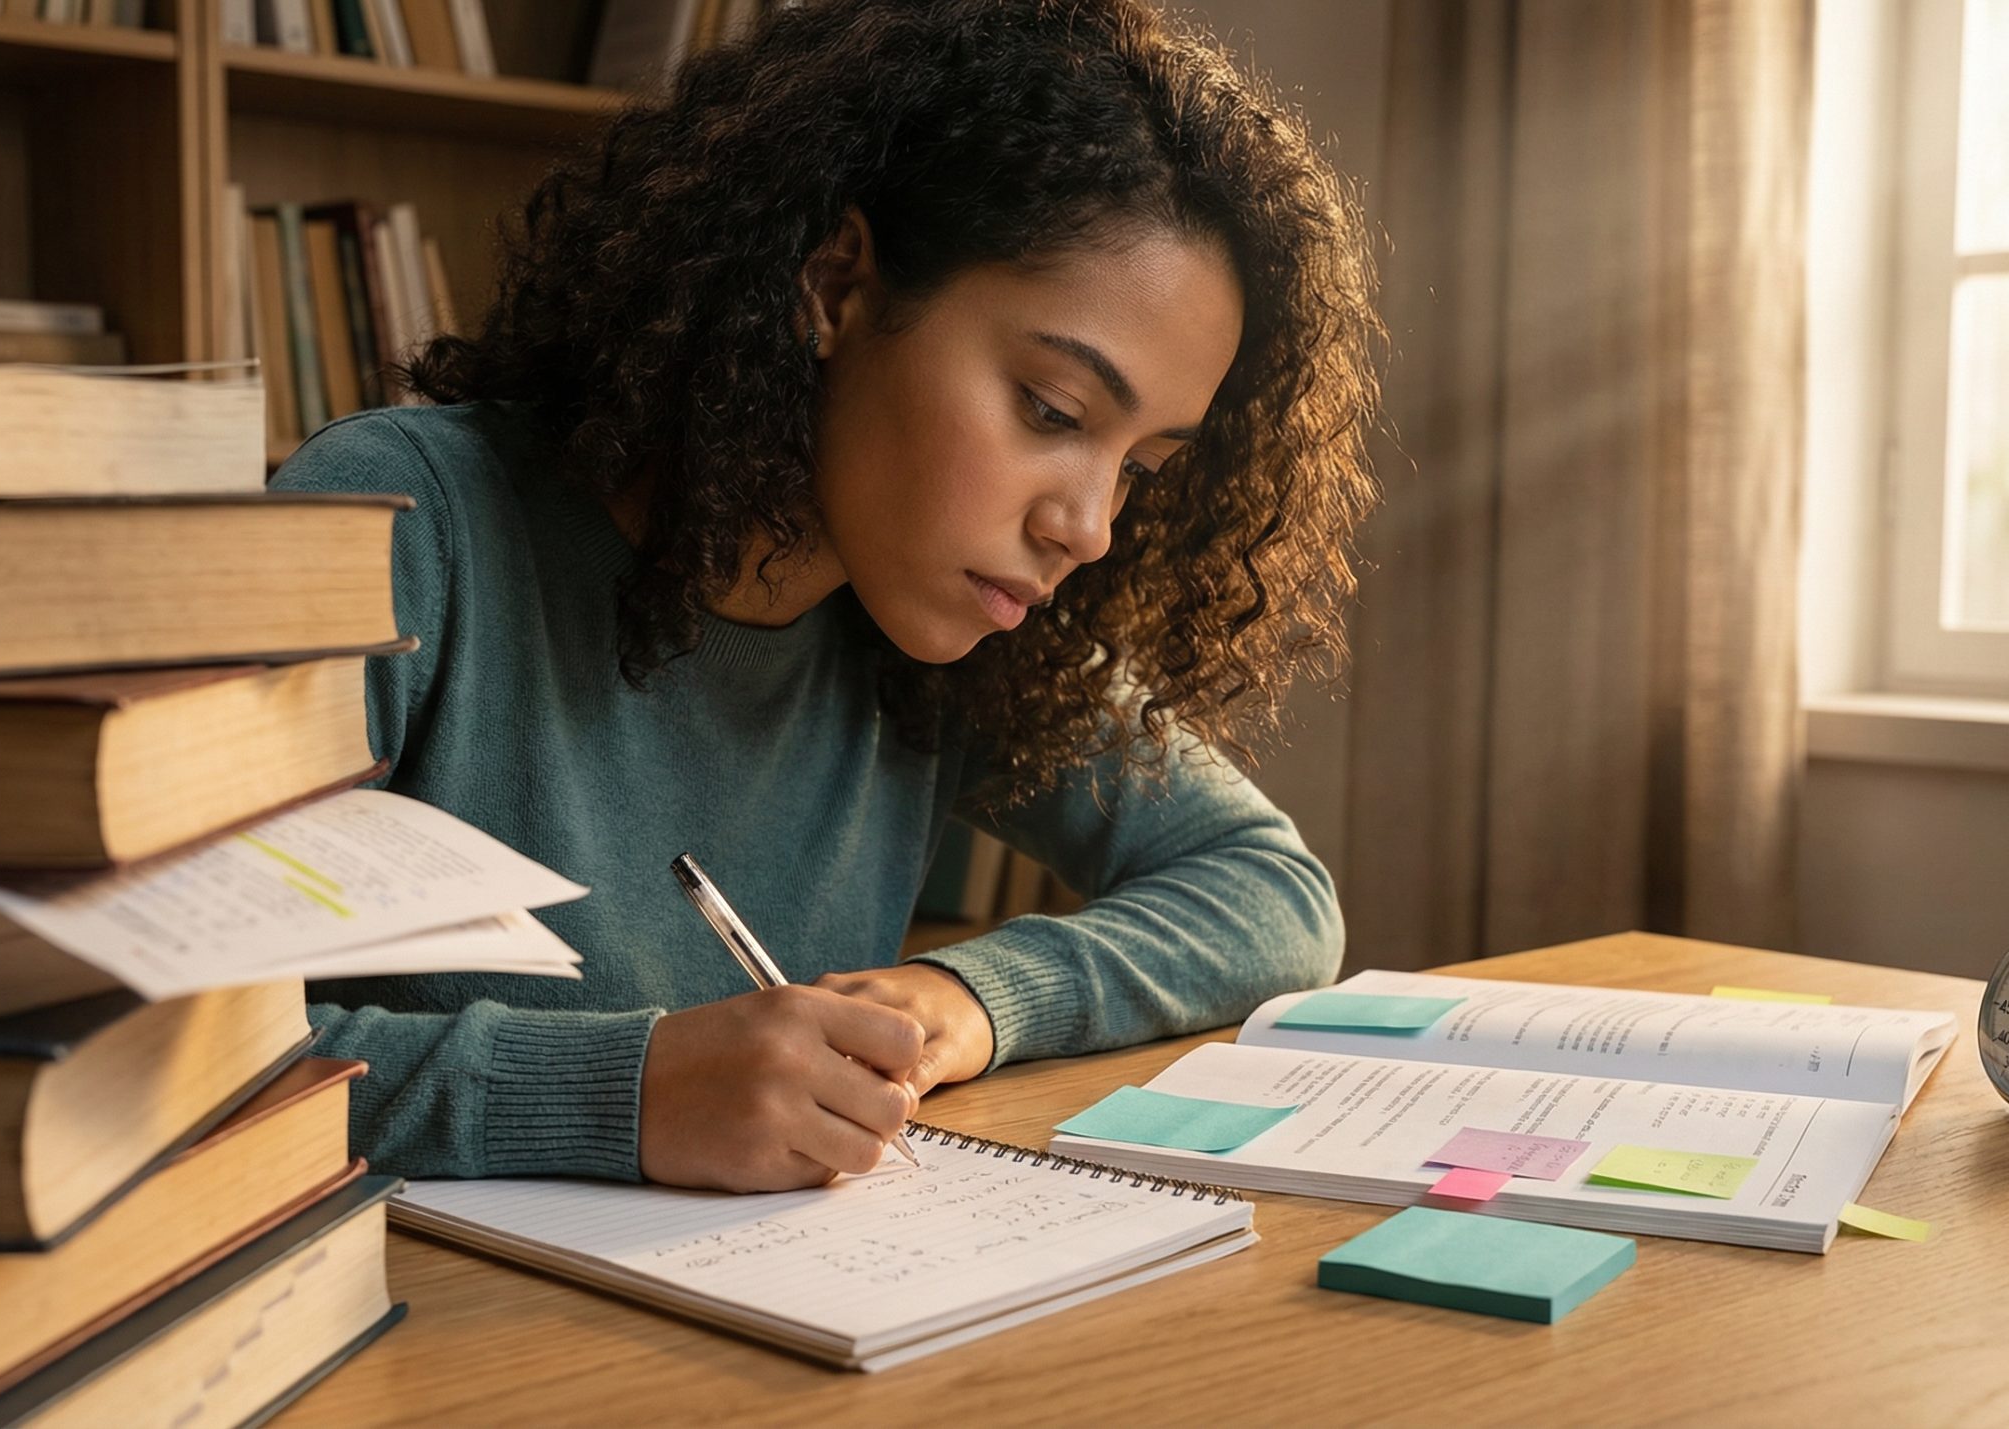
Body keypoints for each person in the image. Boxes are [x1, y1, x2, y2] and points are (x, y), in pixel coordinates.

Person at [269, 0, 1381, 1193]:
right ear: (835, 285)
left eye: (1140, 465)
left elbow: (1270, 891)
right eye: (1052, 413)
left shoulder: (965, 623)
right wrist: (622, 1092)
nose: (1089, 526)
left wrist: (967, 998)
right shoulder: (405, 523)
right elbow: (137, 1064)